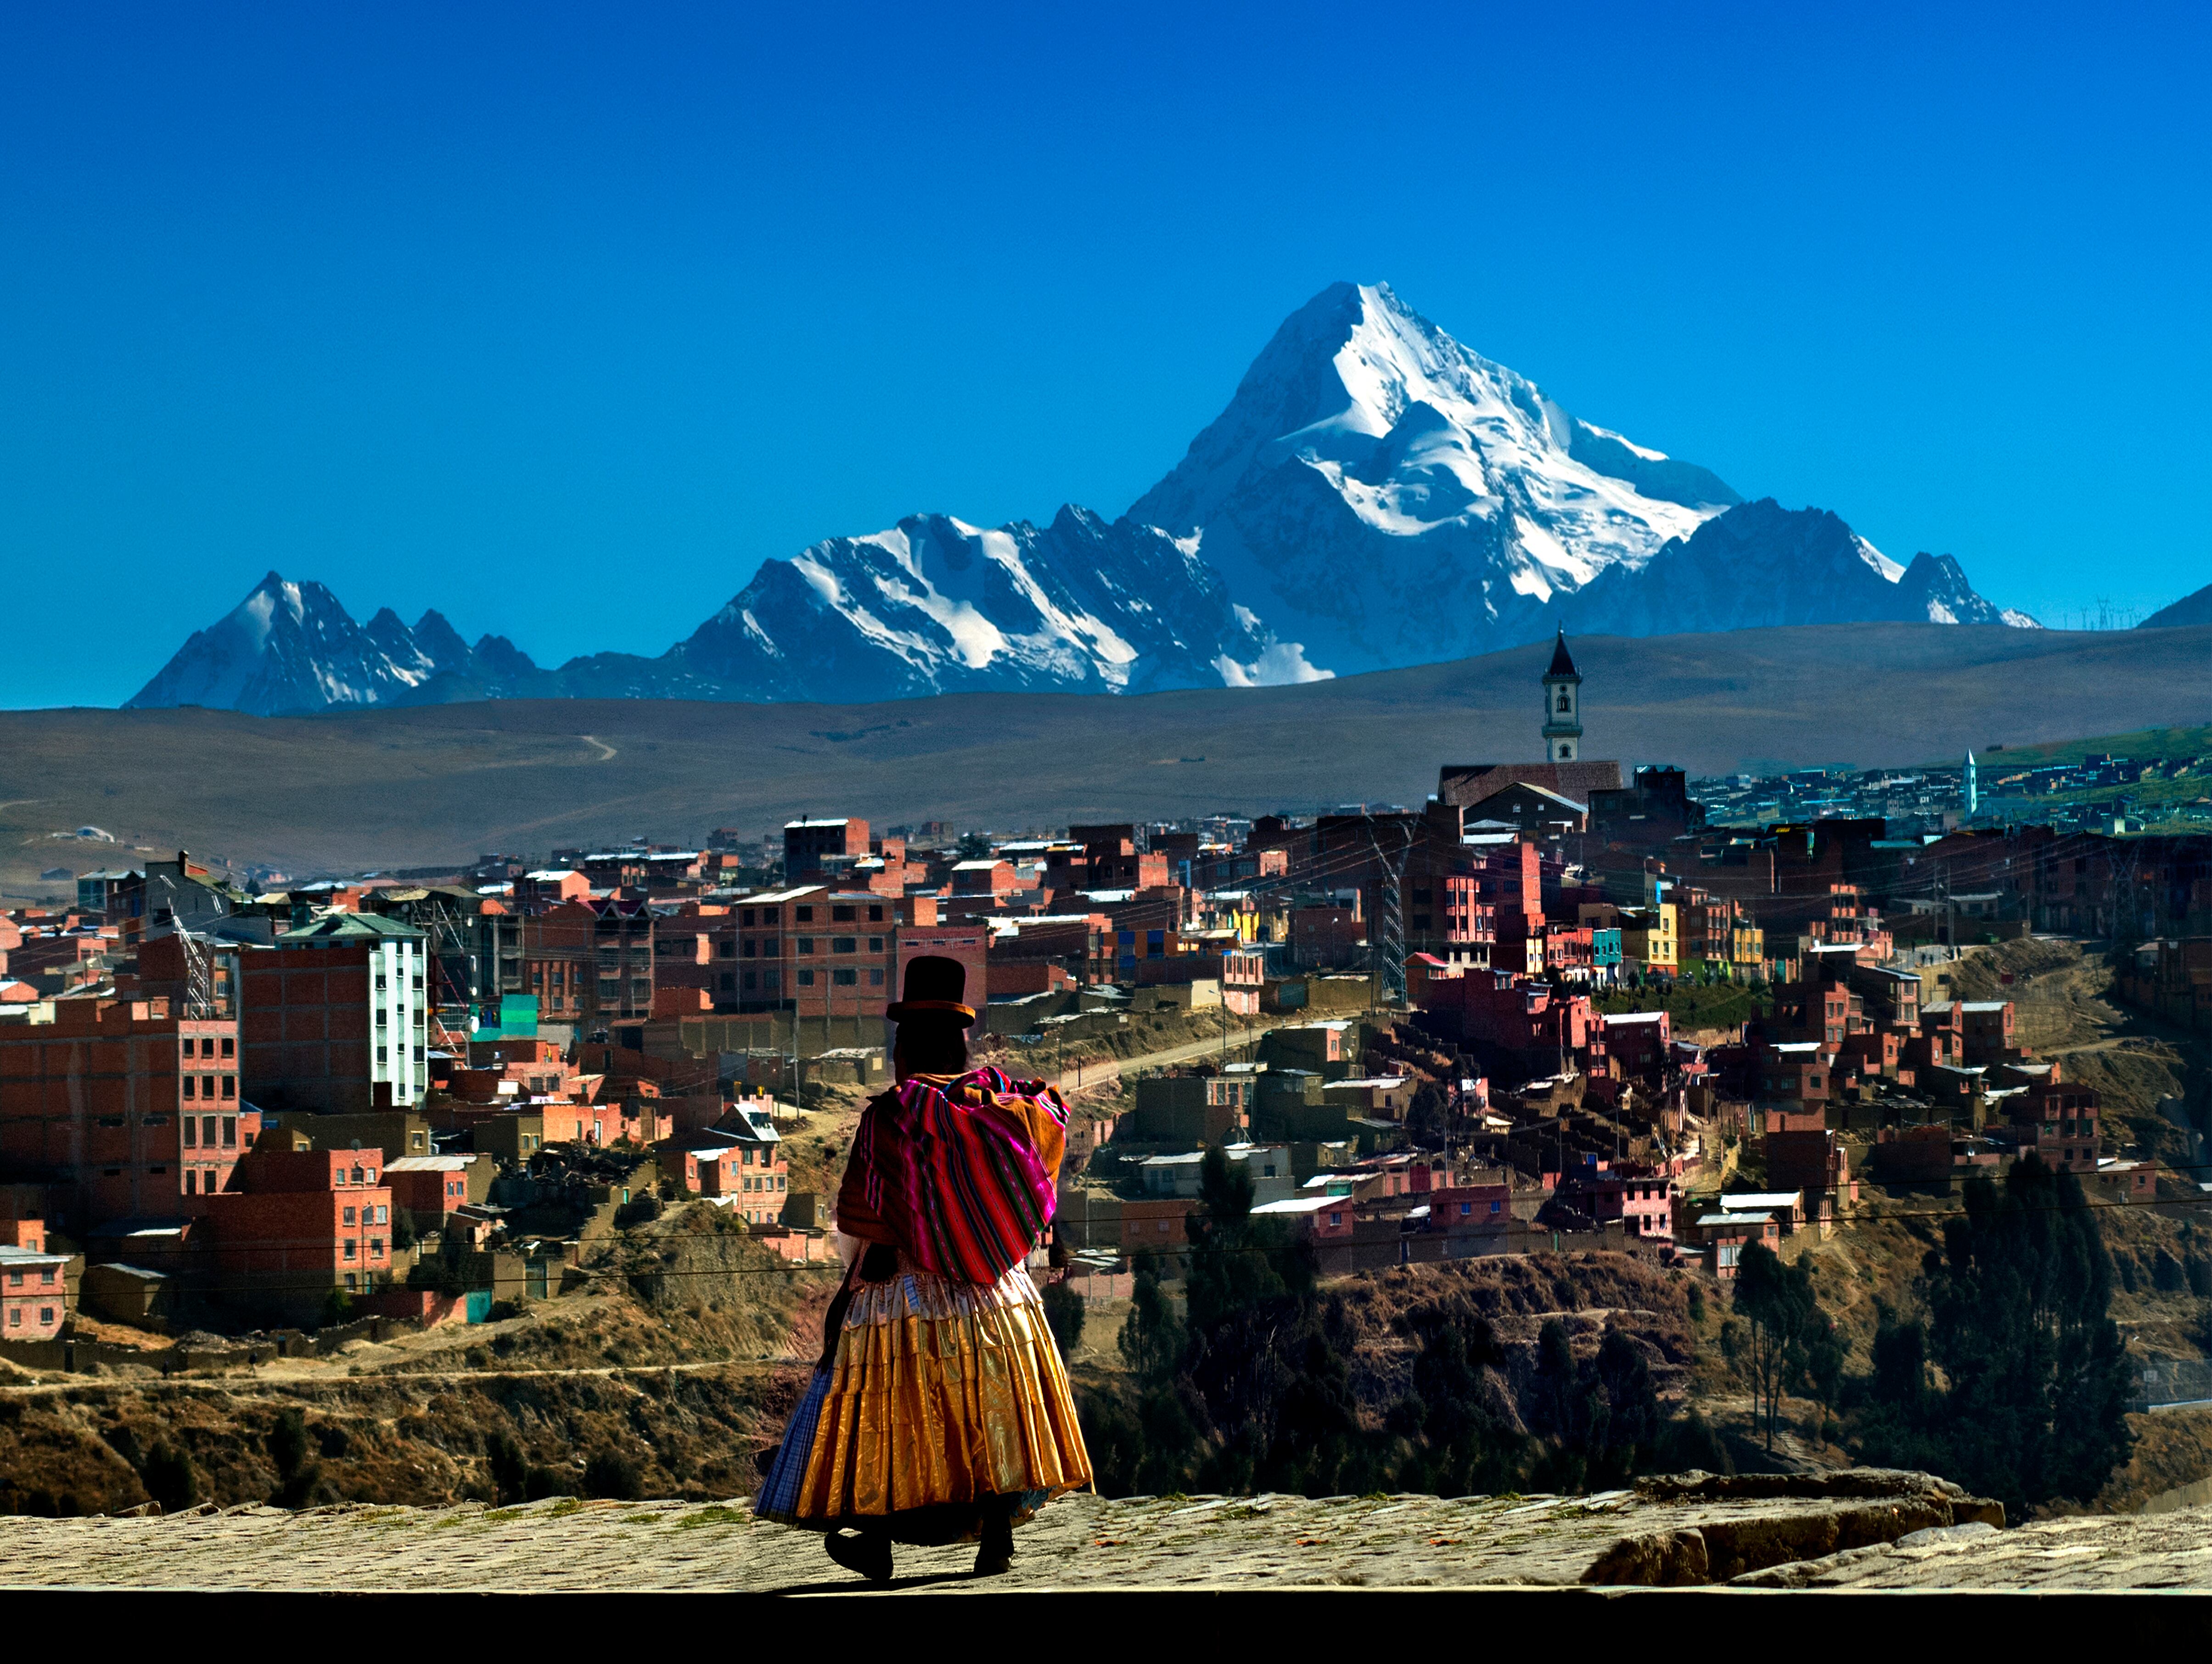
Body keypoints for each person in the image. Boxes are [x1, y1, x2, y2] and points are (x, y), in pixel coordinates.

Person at [753, 955, 1093, 1580]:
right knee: (986, 1412)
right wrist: (979, 1246)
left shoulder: (893, 1116)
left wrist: (860, 1275)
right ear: (959, 1042)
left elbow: (863, 1213)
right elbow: (1016, 1195)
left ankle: (877, 1540)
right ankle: (996, 1540)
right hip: (994, 1292)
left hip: (904, 1294)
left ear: (906, 1045)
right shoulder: (999, 1109)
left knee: (891, 1416)